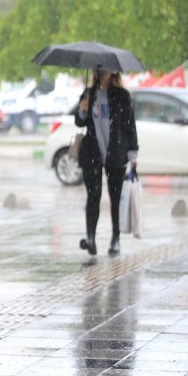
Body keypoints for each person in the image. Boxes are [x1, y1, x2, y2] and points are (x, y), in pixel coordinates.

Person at [76, 68, 138, 256]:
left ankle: (115, 238)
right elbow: (79, 122)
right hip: (92, 153)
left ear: (114, 71)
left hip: (115, 153)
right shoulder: (88, 94)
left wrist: (133, 154)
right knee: (93, 196)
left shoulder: (122, 95)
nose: (104, 72)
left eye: (107, 68)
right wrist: (82, 111)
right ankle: (91, 239)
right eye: (100, 68)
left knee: (115, 197)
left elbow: (129, 125)